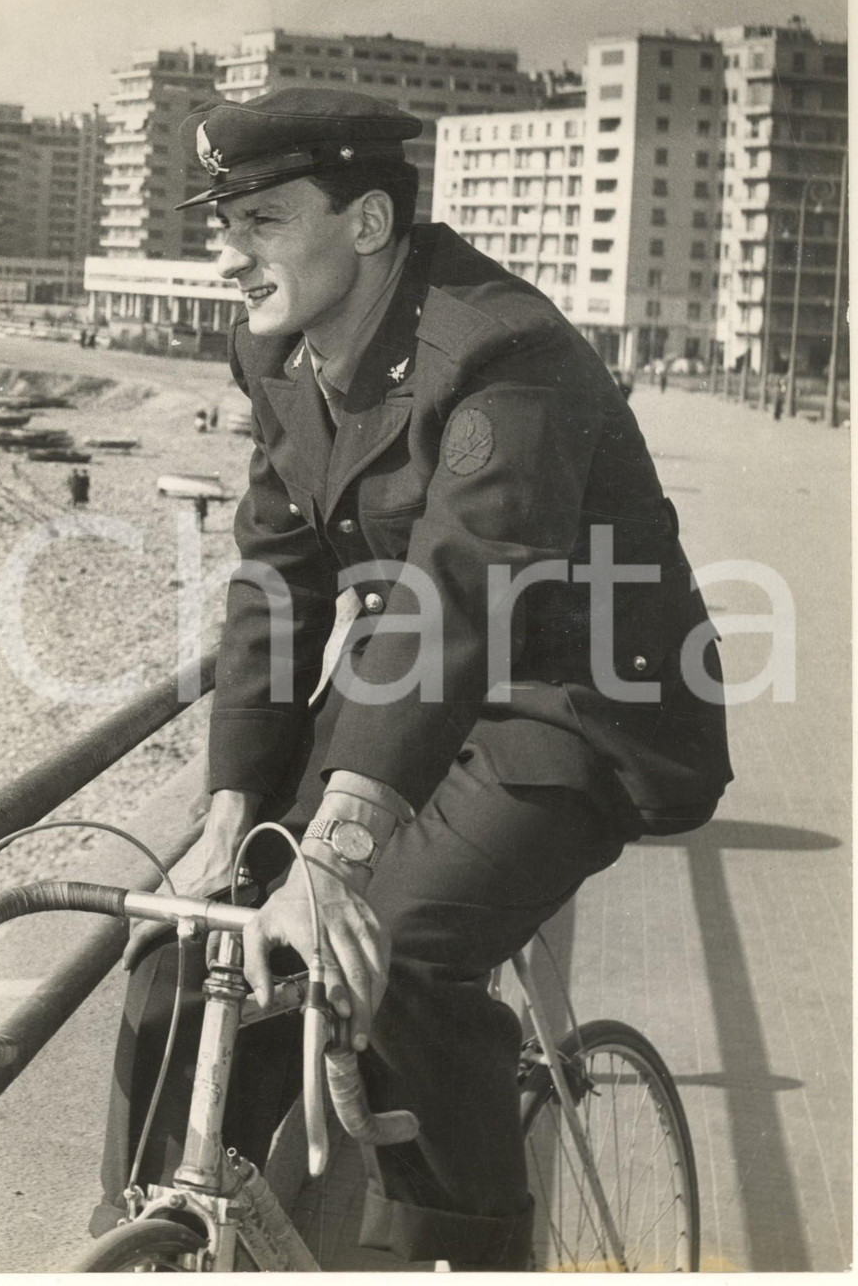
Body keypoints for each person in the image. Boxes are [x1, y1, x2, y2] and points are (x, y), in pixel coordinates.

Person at [93, 89, 732, 1267]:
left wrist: (334, 853)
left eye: (262, 220)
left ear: (371, 221)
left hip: (579, 705)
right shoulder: (277, 348)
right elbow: (277, 580)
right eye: (224, 221)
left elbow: (462, 591)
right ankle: (167, 1230)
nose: (228, 251)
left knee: (388, 956)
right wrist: (230, 809)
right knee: (197, 946)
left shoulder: (502, 353)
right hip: (418, 691)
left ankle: (462, 1256)